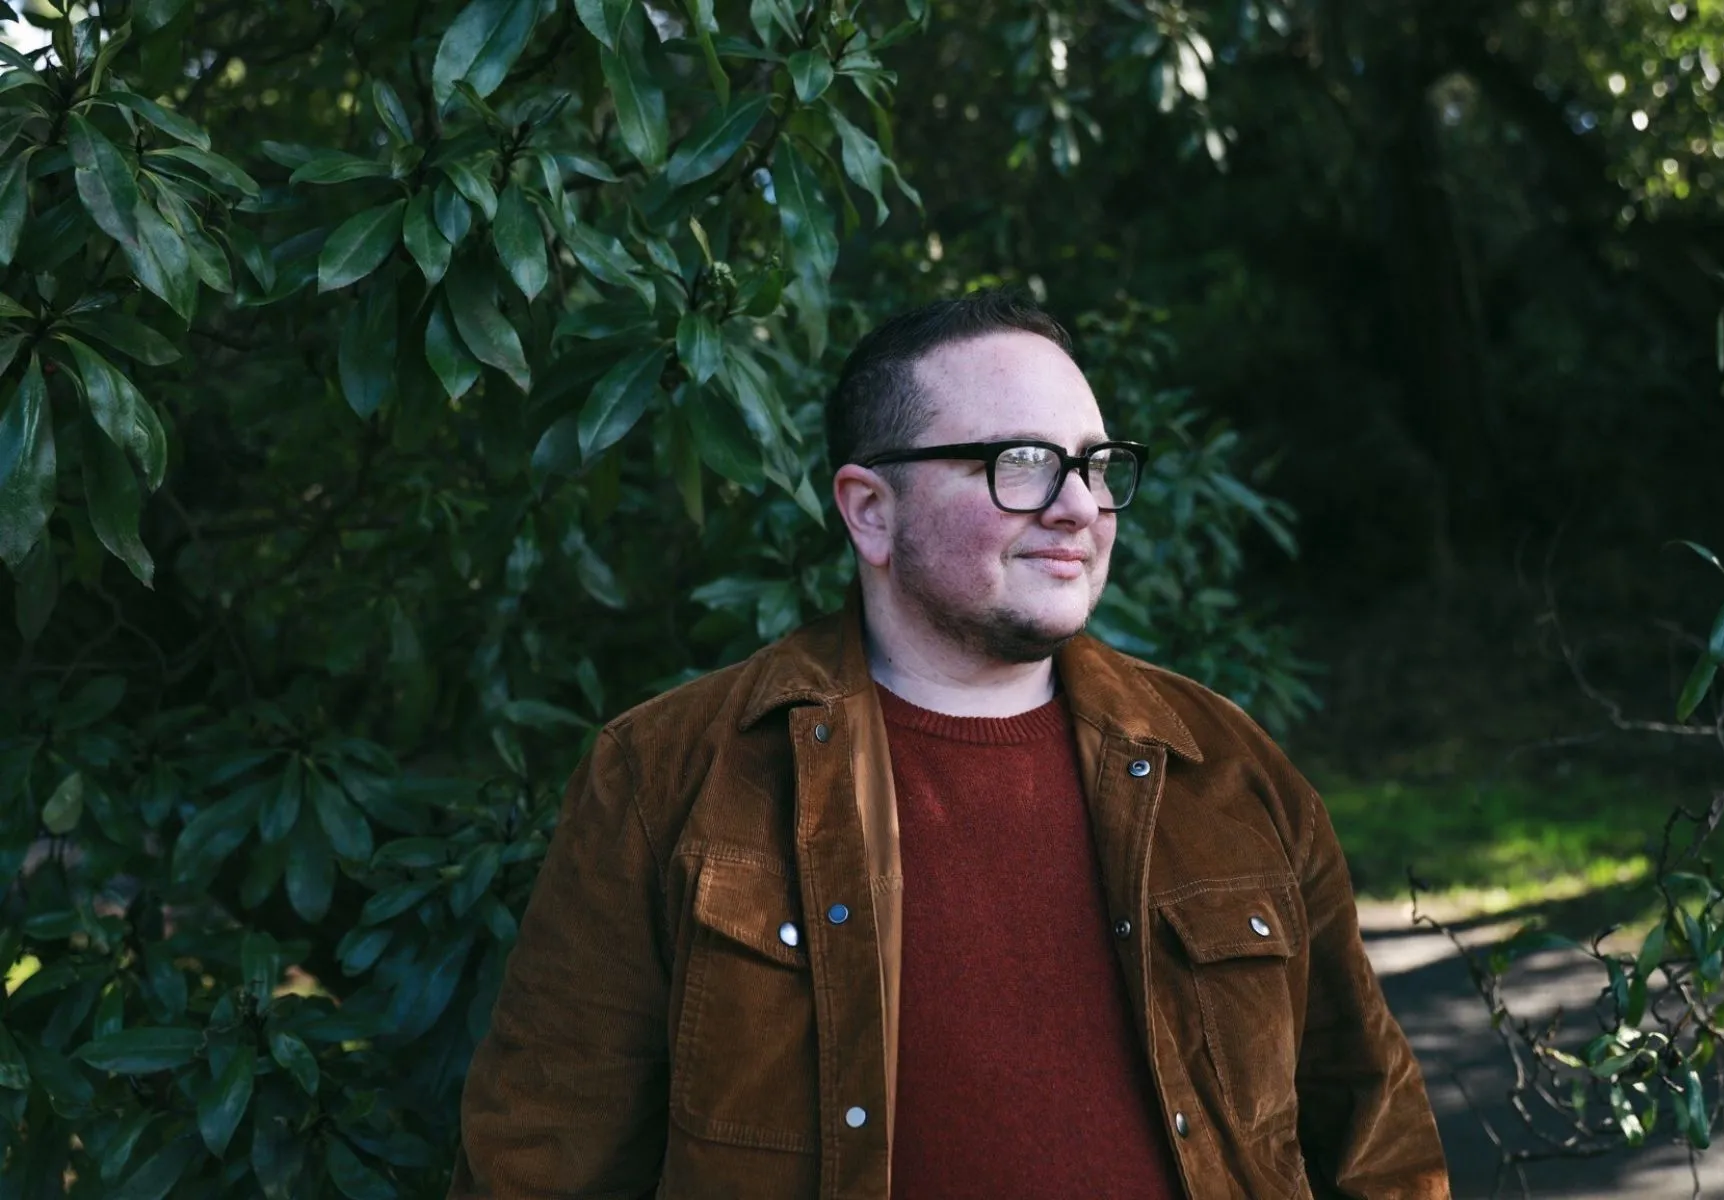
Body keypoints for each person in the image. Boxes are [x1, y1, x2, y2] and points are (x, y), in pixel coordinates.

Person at [449, 291, 1449, 1199]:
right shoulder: (667, 777)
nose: (1078, 506)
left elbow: (1377, 1141)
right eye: (1020, 463)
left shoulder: (1227, 770)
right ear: (870, 511)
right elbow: (536, 1163)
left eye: (1097, 466)